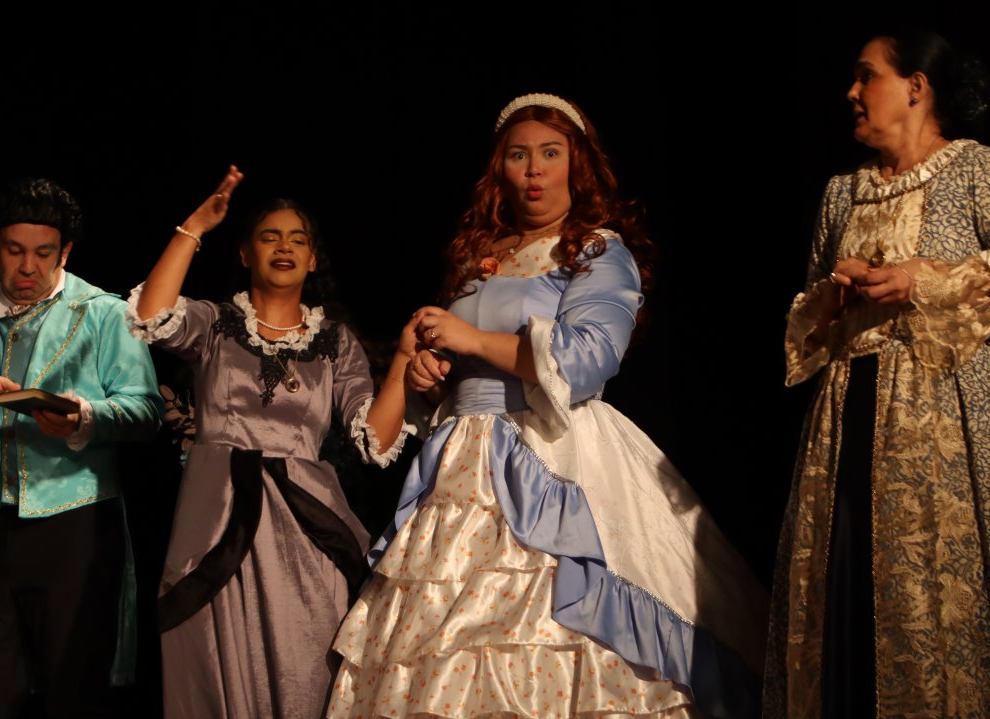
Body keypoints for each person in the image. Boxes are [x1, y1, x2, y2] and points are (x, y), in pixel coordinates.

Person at [326, 94, 767, 719]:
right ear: (500, 169)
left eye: (550, 153)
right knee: (444, 641)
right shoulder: (480, 257)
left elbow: (588, 358)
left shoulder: (594, 251)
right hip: (460, 465)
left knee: (545, 626)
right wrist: (434, 377)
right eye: (519, 155)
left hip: (552, 452)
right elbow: (462, 369)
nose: (534, 169)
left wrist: (472, 339)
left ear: (575, 165)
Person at [765, 31, 990, 718]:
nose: (852, 93)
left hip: (948, 409)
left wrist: (925, 278)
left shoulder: (978, 169)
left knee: (943, 591)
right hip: (848, 415)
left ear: (916, 86)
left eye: (867, 76)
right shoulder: (841, 193)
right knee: (850, 591)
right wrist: (836, 293)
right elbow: (809, 314)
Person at [130, 170, 414, 719]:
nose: (284, 247)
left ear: (312, 260)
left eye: (297, 239)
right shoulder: (215, 324)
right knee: (213, 666)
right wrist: (194, 227)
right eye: (269, 236)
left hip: (306, 529)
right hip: (215, 522)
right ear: (244, 253)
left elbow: (376, 442)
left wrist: (401, 360)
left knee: (306, 665)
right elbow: (151, 316)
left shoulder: (334, 343)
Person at [0, 178, 163, 718]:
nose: (27, 266)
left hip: (74, 525)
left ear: (65, 252)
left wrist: (85, 416)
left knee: (75, 692)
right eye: (14, 250)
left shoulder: (103, 313)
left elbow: (146, 410)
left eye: (43, 253)